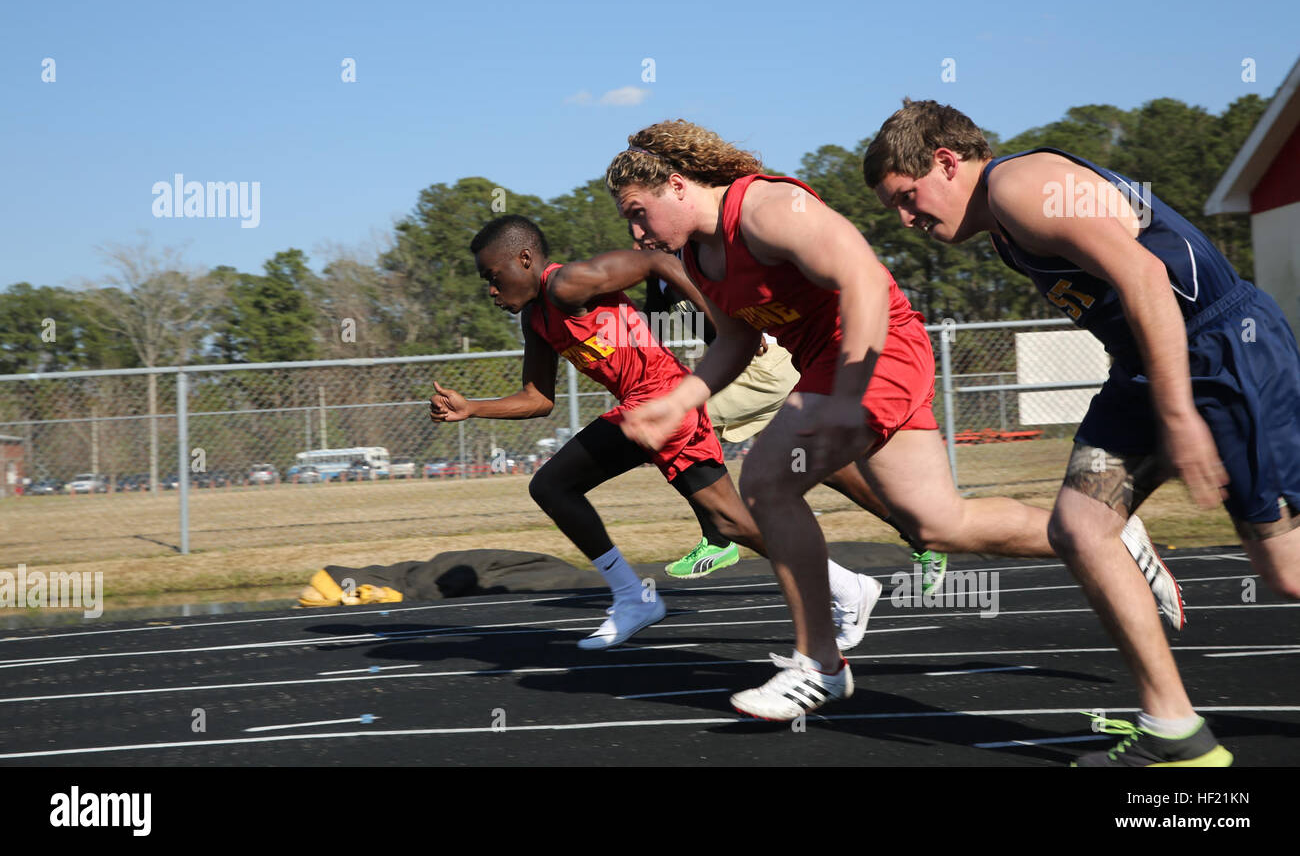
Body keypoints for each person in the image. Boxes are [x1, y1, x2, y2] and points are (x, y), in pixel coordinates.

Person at [607, 121, 1183, 721]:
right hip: (832, 364)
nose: (636, 230)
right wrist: (679, 401)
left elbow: (863, 279)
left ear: (677, 185)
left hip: (875, 349)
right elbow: (735, 339)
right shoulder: (696, 256)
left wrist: (848, 394)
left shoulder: (767, 207)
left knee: (766, 483)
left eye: (639, 212)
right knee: (938, 523)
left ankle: (820, 667)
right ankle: (1110, 536)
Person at [863, 98, 1300, 766]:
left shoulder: (1019, 188)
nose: (906, 219)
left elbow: (1146, 275)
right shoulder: (1005, 225)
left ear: (946, 162)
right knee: (1080, 526)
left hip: (1219, 354)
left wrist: (1179, 415)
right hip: (1147, 369)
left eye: (907, 196)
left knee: (1286, 570)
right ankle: (1174, 730)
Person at [429, 215, 882, 651]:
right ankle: (847, 586)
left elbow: (657, 263)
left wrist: (726, 326)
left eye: (493, 275)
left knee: (553, 485)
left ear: (525, 259)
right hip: (651, 412)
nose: (491, 290)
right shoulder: (536, 320)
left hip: (663, 399)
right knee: (731, 522)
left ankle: (633, 597)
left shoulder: (567, 283)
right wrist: (472, 409)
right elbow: (538, 399)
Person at [642, 262, 949, 593]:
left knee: (679, 421)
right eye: (631, 220)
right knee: (829, 468)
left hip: (765, 365)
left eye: (641, 213)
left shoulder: (691, 257)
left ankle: (720, 536)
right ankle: (918, 532)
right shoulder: (656, 272)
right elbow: (648, 329)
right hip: (754, 368)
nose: (638, 232)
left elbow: (728, 320)